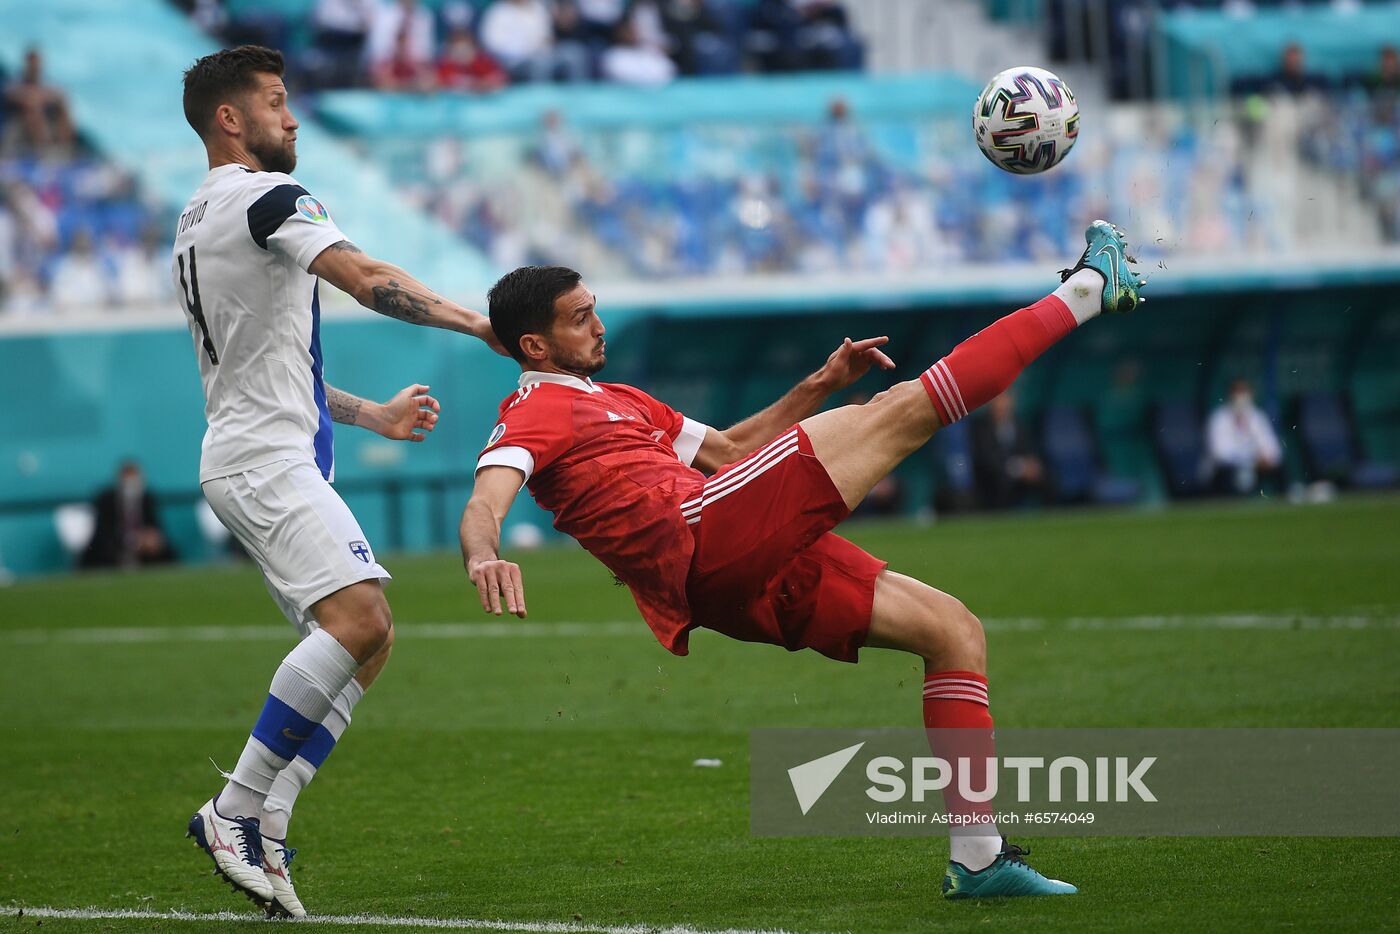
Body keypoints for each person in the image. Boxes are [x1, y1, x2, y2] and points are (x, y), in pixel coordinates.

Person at [461, 220, 1147, 899]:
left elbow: (730, 451)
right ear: (535, 344)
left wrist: (821, 381)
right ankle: (1088, 289)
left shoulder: (617, 400)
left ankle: (978, 858)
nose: (599, 325)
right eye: (581, 318)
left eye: (596, 310)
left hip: (727, 570)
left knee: (953, 632)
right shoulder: (533, 409)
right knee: (902, 410)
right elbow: (486, 499)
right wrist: (484, 555)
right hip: (702, 538)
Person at [174, 45, 499, 918]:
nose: (293, 118)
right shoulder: (269, 195)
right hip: (265, 461)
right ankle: (236, 808)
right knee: (360, 617)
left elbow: (270, 367)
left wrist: (376, 418)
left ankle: (270, 817)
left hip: (253, 449)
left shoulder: (199, 214)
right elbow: (364, 278)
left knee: (371, 634)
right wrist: (478, 322)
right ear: (230, 119)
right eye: (277, 102)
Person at [79, 461, 177, 570]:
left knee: (166, 549)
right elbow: (103, 532)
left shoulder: (147, 499)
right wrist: (131, 541)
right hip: (114, 545)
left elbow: (155, 526)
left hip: (143, 549)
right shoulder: (106, 500)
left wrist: (150, 538)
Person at [1207, 379, 1283, 496]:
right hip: (1228, 470)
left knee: (1279, 470)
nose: (1241, 396)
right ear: (1230, 394)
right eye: (1237, 391)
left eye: (1244, 391)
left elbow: (1273, 448)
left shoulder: (1257, 416)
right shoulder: (1219, 418)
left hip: (1258, 469)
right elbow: (1220, 454)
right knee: (1228, 475)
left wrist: (1266, 458)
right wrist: (1252, 460)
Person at [971, 390, 1046, 510]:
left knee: (1045, 476)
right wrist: (1017, 469)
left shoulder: (1018, 423)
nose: (1003, 404)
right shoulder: (981, 425)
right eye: (999, 400)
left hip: (1019, 474)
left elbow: (1027, 449)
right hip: (994, 474)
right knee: (1002, 481)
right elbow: (986, 457)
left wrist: (1030, 465)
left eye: (1005, 400)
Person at [1, 47, 76, 155]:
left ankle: (66, 147)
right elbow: (13, 95)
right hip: (17, 124)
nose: (35, 66)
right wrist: (36, 98)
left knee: (62, 106)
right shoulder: (15, 81)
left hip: (43, 121)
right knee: (32, 107)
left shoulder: (45, 82)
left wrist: (42, 97)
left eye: (37, 63)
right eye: (33, 63)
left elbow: (61, 94)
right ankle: (43, 151)